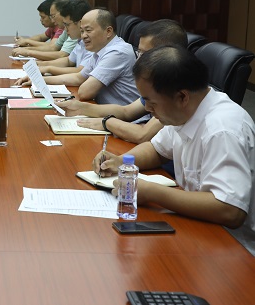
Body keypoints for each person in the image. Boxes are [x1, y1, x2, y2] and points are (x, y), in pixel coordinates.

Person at [93, 45, 255, 255]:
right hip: (195, 227)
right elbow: (157, 149)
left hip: (231, 249)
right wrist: (121, 161)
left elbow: (230, 210)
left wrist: (153, 192)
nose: (147, 109)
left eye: (151, 102)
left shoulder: (223, 129)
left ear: (182, 97)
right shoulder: (184, 111)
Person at [59, 19, 188, 144]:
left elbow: (142, 134)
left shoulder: (175, 89)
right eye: (139, 53)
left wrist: (106, 122)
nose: (138, 60)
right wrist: (80, 108)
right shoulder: (157, 83)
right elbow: (126, 112)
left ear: (168, 53)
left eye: (145, 54)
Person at [42, 8, 139, 105]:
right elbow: (78, 78)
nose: (83, 36)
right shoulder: (100, 49)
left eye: (88, 30)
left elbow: (85, 92)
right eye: (82, 31)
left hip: (121, 114)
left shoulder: (117, 53)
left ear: (108, 31)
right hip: (102, 109)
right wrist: (41, 81)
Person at [13, 0, 92, 83]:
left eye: (67, 25)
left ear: (80, 23)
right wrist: (42, 64)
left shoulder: (92, 44)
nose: (65, 29)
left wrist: (48, 69)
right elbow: (68, 61)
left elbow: (80, 72)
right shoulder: (80, 41)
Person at [11, 0, 78, 60]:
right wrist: (26, 49)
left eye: (53, 16)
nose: (52, 20)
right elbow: (52, 48)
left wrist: (28, 51)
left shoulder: (74, 30)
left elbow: (62, 55)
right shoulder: (65, 29)